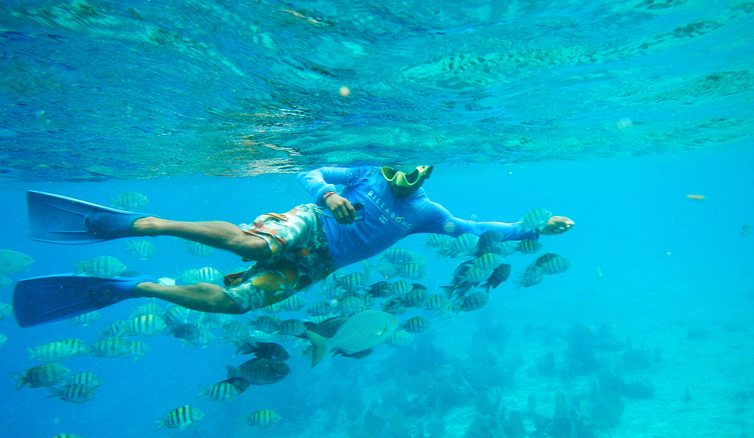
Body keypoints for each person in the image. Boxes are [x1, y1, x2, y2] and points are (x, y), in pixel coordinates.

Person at [13, 166, 574, 327]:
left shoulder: (428, 214)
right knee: (256, 247)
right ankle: (146, 224)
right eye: (395, 167)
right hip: (306, 225)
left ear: (428, 172)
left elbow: (479, 231)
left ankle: (130, 286)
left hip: (323, 265)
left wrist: (533, 232)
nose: (402, 176)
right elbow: (309, 171)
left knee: (237, 306)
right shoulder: (364, 171)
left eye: (415, 170)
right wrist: (329, 198)